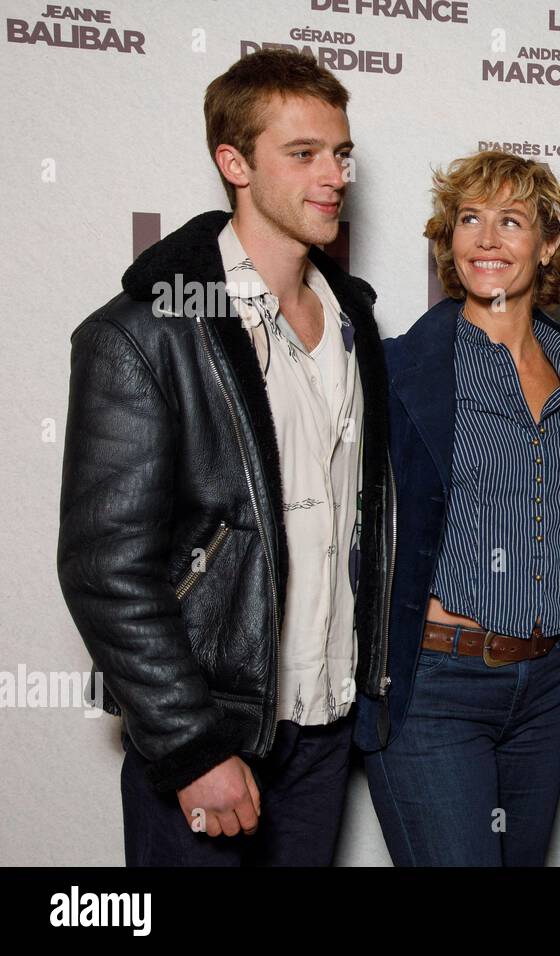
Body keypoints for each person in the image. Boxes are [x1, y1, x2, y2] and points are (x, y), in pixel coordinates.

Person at [56, 49, 393, 866]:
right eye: (303, 153)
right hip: (214, 735)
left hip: (324, 730)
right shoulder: (145, 332)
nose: (334, 176)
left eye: (341, 154)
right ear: (233, 163)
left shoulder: (353, 322)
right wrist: (190, 746)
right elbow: (107, 568)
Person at [355, 150, 560, 866]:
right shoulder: (399, 368)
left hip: (547, 686)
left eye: (512, 221)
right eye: (469, 219)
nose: (487, 239)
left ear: (550, 244)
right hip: (437, 684)